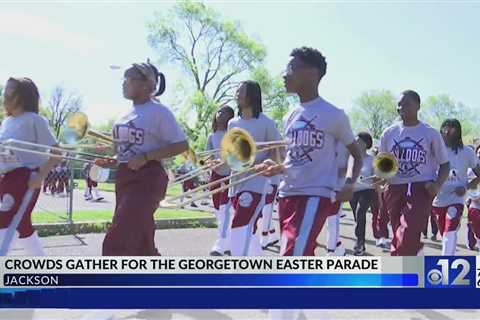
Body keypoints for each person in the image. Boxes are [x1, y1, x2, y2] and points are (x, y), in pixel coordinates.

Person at [258, 47, 362, 320]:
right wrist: (276, 167)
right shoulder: (291, 114)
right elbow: (295, 158)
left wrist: (350, 183)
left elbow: (356, 154)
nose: (284, 74)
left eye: (291, 68)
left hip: (315, 197)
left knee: (291, 260)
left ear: (312, 73)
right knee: (299, 256)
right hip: (287, 194)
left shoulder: (334, 114)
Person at [98, 62, 188, 256]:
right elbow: (122, 151)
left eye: (129, 79)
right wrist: (113, 159)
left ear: (146, 84)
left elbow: (181, 145)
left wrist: (146, 157)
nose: (124, 84)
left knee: (118, 236)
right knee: (141, 238)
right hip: (124, 178)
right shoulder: (124, 114)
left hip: (148, 179)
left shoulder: (159, 112)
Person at [379, 90, 449, 256]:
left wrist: (437, 185)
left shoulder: (430, 133)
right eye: (399, 105)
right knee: (398, 234)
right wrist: (381, 176)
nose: (402, 108)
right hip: (394, 188)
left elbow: (445, 165)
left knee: (407, 234)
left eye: (407, 104)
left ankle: (400, 271)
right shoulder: (388, 133)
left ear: (418, 106)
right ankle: (414, 255)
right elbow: (383, 164)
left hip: (420, 189)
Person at [0, 77, 61, 255]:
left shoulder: (35, 120)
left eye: (10, 90)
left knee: (5, 220)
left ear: (22, 95)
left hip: (25, 179)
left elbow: (57, 154)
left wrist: (40, 175)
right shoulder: (6, 122)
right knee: (22, 224)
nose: (5, 94)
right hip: (7, 178)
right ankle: (43, 269)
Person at [228, 80, 283, 256]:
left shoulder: (266, 122)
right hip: (235, 181)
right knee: (247, 228)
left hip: (257, 183)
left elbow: (278, 149)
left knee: (239, 225)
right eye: (237, 92)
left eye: (241, 91)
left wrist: (268, 163)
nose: (237, 95)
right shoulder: (232, 123)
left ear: (252, 95)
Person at [431, 119, 480, 255]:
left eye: (451, 128)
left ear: (458, 132)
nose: (447, 131)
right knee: (444, 232)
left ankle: (447, 264)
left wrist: (466, 187)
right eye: (445, 128)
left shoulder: (467, 152)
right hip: (437, 200)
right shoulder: (433, 151)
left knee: (449, 229)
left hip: (456, 199)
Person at [205, 106, 235, 255]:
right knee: (218, 210)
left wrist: (223, 162)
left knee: (225, 209)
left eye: (224, 112)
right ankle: (226, 241)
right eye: (219, 111)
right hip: (215, 176)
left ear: (230, 117)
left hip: (229, 175)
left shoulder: (232, 135)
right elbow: (208, 155)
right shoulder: (212, 136)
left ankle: (222, 243)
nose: (220, 114)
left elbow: (234, 156)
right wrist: (209, 163)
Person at [349, 131, 376, 256]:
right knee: (357, 218)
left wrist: (374, 179)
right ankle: (361, 242)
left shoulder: (372, 159)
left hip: (367, 190)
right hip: (353, 192)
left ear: (366, 144)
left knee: (360, 212)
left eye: (359, 141)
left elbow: (377, 176)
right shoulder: (351, 158)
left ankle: (359, 244)